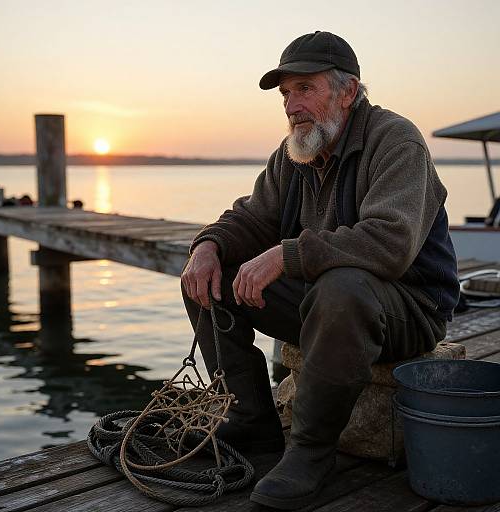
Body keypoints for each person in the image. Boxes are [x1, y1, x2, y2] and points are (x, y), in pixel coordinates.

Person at [181, 31, 460, 510]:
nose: (292, 105)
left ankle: (311, 453)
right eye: (286, 94)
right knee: (208, 280)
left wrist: (287, 255)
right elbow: (252, 217)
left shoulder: (396, 141)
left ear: (348, 91)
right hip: (325, 301)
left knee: (343, 287)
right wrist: (208, 244)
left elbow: (390, 243)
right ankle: (251, 419)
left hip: (409, 308)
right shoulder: (295, 152)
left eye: (305, 88)